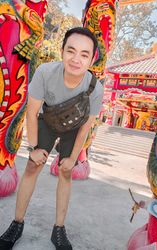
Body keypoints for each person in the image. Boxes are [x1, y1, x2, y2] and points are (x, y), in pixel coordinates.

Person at [0, 27, 104, 250]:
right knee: (31, 167)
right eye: (71, 51)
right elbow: (31, 111)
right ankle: (16, 224)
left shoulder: (97, 89)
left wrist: (73, 157)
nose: (76, 59)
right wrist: (34, 148)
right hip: (48, 119)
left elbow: (86, 128)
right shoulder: (46, 72)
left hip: (74, 127)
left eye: (84, 54)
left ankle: (59, 229)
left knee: (66, 173)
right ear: (62, 50)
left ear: (92, 58)